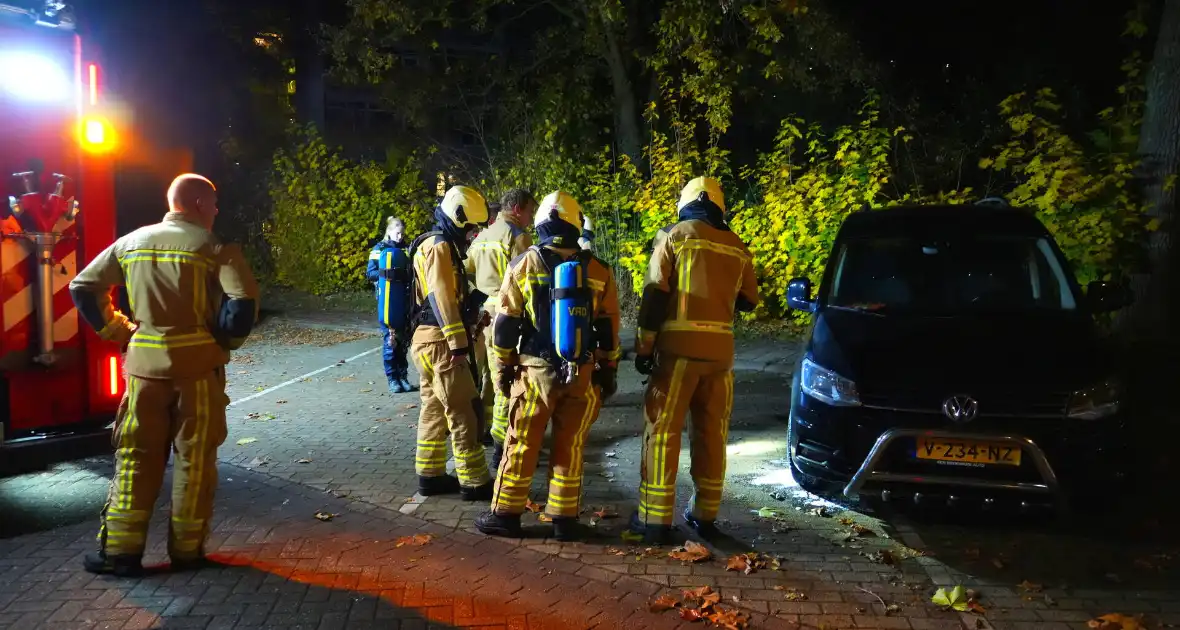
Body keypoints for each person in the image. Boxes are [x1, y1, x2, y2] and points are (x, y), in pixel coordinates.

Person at [69, 173, 259, 576]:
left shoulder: (132, 242)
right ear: (200, 205)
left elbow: (83, 287)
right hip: (198, 374)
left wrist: (119, 331)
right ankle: (187, 551)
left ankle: (120, 553)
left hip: (143, 373)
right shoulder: (215, 248)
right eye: (214, 204)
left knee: (136, 456)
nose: (216, 211)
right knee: (195, 459)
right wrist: (223, 344)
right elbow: (242, 305)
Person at [474, 191, 620, 542]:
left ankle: (506, 515)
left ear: (540, 224)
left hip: (535, 370)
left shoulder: (524, 264)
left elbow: (506, 326)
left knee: (522, 442)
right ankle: (564, 519)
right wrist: (607, 371)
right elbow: (608, 329)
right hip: (581, 372)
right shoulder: (599, 270)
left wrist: (504, 369)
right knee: (570, 445)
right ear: (575, 224)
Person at [628, 176, 760, 544]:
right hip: (720, 357)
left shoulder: (674, 234)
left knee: (663, 431)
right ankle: (705, 513)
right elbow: (749, 300)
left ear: (685, 203)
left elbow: (655, 294)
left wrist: (643, 348)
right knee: (712, 433)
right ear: (719, 206)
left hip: (678, 353)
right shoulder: (736, 245)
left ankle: (654, 519)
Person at [408, 185, 494, 500]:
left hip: (430, 341)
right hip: (441, 345)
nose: (473, 233)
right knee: (465, 410)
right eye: (471, 227)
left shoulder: (440, 245)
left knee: (433, 408)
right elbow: (440, 296)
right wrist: (459, 343)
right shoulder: (439, 247)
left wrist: (472, 318)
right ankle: (474, 481)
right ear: (458, 218)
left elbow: (450, 297)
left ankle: (429, 475)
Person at [464, 188, 537, 463]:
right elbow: (526, 280)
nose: (530, 217)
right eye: (530, 210)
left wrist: (480, 303)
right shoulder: (518, 236)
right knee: (509, 378)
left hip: (484, 317)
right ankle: (502, 441)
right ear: (517, 208)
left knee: (487, 377)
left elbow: (466, 273)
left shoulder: (482, 236)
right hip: (508, 316)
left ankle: (483, 430)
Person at [367, 217, 414, 393]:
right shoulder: (379, 249)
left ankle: (403, 377)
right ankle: (392, 379)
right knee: (390, 342)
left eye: (402, 233)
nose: (400, 236)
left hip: (405, 301)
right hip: (388, 302)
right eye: (397, 233)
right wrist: (389, 273)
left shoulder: (406, 249)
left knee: (403, 343)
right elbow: (370, 272)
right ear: (389, 232)